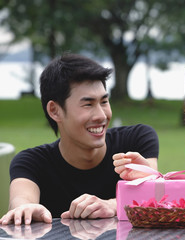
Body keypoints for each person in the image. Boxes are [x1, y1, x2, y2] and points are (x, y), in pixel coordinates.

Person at [0, 53, 159, 225]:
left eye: (104, 102)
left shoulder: (136, 141)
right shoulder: (31, 162)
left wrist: (112, 205)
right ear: (55, 110)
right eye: (88, 104)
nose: (101, 115)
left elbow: (155, 195)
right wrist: (26, 208)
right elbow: (21, 200)